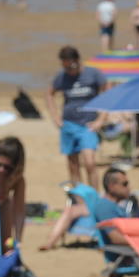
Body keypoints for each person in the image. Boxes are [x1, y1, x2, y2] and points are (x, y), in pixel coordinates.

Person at [47, 45, 107, 187]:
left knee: (90, 162)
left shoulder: (93, 74)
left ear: (78, 61)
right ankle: (79, 198)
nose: (69, 70)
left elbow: (106, 95)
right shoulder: (62, 77)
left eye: (71, 66)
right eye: (65, 67)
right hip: (69, 124)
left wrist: (101, 119)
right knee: (73, 164)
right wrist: (55, 117)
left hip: (88, 124)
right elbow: (49, 94)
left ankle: (94, 198)